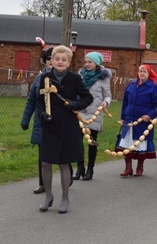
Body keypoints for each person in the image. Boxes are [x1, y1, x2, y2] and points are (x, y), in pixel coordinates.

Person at [36, 46, 93, 213]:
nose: (60, 62)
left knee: (63, 163)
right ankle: (48, 196)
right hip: (50, 125)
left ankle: (65, 198)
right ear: (51, 61)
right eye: (57, 59)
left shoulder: (75, 79)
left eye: (64, 59)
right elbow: (40, 103)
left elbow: (88, 98)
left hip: (68, 126)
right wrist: (42, 116)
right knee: (46, 162)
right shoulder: (44, 78)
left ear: (69, 62)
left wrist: (74, 104)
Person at [118, 64, 157, 177]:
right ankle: (128, 168)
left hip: (143, 121)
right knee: (127, 145)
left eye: (144, 72)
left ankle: (140, 167)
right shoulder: (131, 85)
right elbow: (125, 102)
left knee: (140, 144)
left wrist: (150, 115)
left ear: (148, 74)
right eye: (140, 71)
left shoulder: (153, 87)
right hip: (129, 120)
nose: (142, 73)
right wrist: (122, 117)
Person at [21, 47, 54, 193]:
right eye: (49, 59)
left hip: (59, 122)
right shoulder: (39, 79)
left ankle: (67, 175)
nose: (52, 61)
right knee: (43, 154)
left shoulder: (66, 78)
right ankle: (43, 183)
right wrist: (25, 119)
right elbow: (31, 101)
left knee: (61, 153)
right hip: (42, 121)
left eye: (55, 58)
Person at [75, 51, 111, 181]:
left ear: (96, 63)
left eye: (90, 62)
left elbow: (108, 95)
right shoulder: (80, 76)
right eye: (85, 62)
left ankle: (90, 169)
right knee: (77, 141)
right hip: (80, 111)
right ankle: (80, 167)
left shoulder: (103, 78)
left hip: (95, 112)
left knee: (92, 141)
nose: (87, 64)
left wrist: (105, 102)